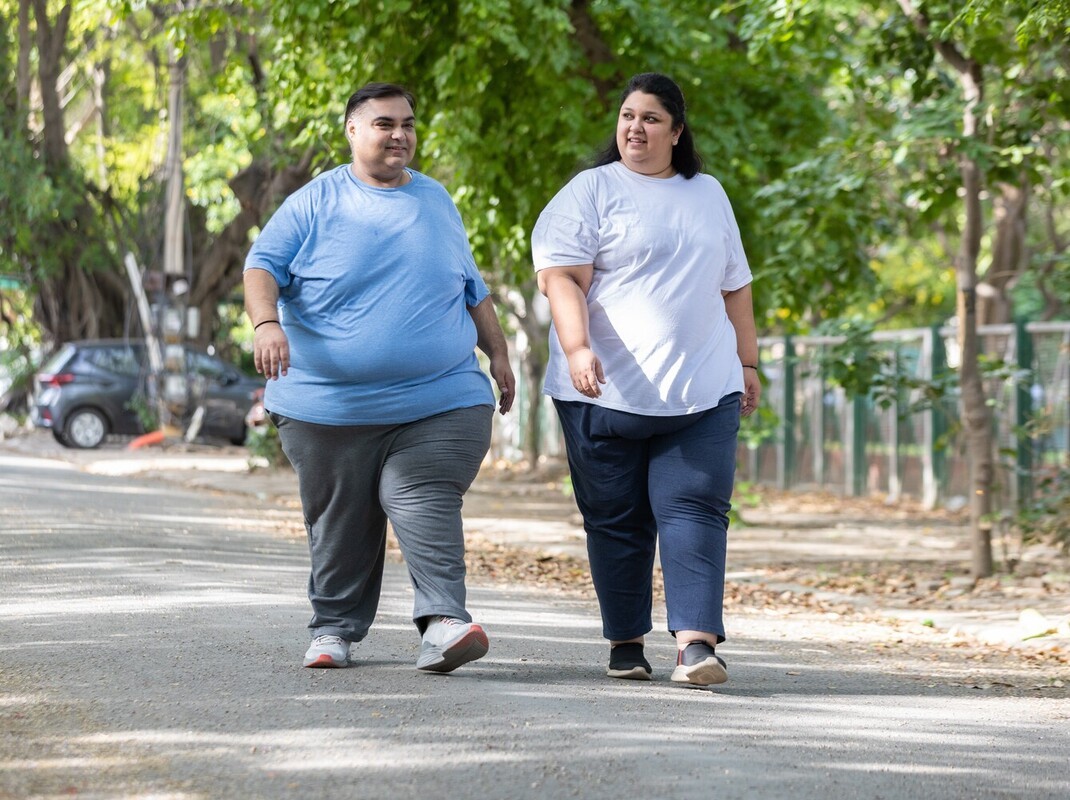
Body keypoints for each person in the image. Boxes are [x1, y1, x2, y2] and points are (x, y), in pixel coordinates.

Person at [244, 82, 515, 672]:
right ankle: (333, 629)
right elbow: (261, 264)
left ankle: (444, 622)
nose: (400, 135)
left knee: (416, 490)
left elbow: (472, 287)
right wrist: (267, 324)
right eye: (385, 124)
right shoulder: (315, 201)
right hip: (327, 406)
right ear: (352, 131)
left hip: (442, 397)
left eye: (409, 125)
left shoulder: (436, 199)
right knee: (343, 518)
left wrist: (498, 355)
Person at [531, 72, 760, 687]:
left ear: (677, 131)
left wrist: (747, 363)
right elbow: (561, 279)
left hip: (701, 388)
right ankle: (626, 643)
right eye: (628, 115)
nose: (636, 127)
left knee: (695, 510)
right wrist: (577, 348)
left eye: (652, 118)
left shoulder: (708, 193)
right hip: (603, 391)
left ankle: (696, 646)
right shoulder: (592, 191)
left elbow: (734, 286)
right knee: (616, 517)